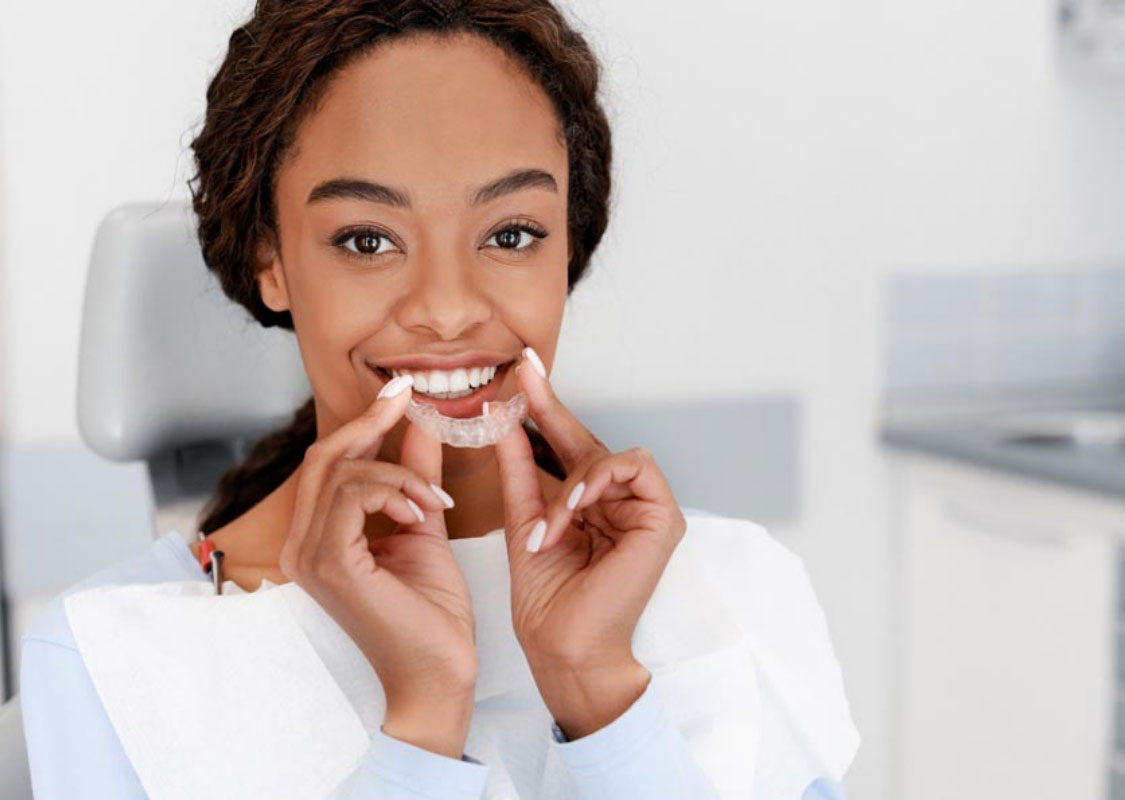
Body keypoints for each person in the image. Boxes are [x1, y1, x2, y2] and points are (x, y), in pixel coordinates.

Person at [19, 0, 858, 797]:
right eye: (368, 239)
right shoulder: (116, 661)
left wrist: (597, 688)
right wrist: (422, 716)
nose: (449, 308)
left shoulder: (735, 591)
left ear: (569, 246)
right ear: (270, 259)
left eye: (511, 235)